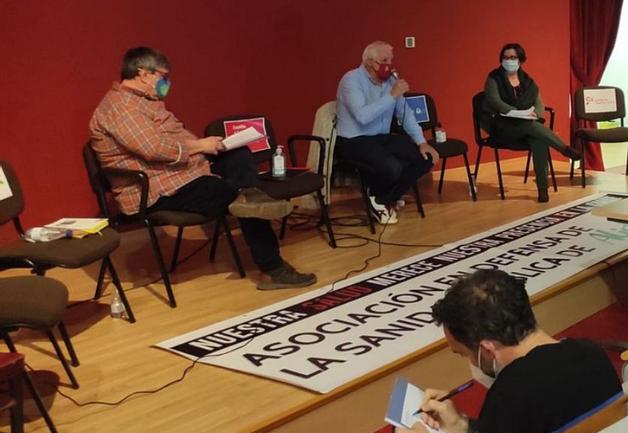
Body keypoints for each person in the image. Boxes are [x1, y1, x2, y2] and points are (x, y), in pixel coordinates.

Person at [89, 47, 315, 289]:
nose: (166, 82)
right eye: (162, 76)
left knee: (238, 155)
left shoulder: (146, 102)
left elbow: (173, 139)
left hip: (185, 173)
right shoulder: (121, 107)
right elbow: (153, 148)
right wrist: (199, 145)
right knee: (230, 194)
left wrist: (211, 145)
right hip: (157, 189)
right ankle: (273, 268)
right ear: (143, 74)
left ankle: (250, 195)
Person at [383, 270, 626, 433]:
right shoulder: (592, 353)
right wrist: (462, 426)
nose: (470, 363)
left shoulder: (511, 395)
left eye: (465, 354)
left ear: (487, 350)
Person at [336, 41, 437, 224]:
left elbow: (406, 114)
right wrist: (392, 96)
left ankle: (380, 197)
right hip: (353, 140)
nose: (389, 65)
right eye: (384, 60)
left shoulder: (390, 82)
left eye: (391, 60)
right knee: (392, 167)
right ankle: (379, 198)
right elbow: (363, 116)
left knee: (425, 158)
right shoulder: (351, 80)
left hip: (380, 137)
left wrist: (421, 141)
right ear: (369, 63)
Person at [481, 43, 581, 203]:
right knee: (533, 128)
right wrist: (518, 113)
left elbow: (538, 103)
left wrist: (536, 115)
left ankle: (543, 190)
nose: (509, 60)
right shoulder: (493, 78)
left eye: (513, 57)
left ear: (520, 60)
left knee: (539, 140)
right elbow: (495, 102)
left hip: (526, 125)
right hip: (501, 125)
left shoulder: (527, 81)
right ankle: (564, 148)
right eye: (505, 57)